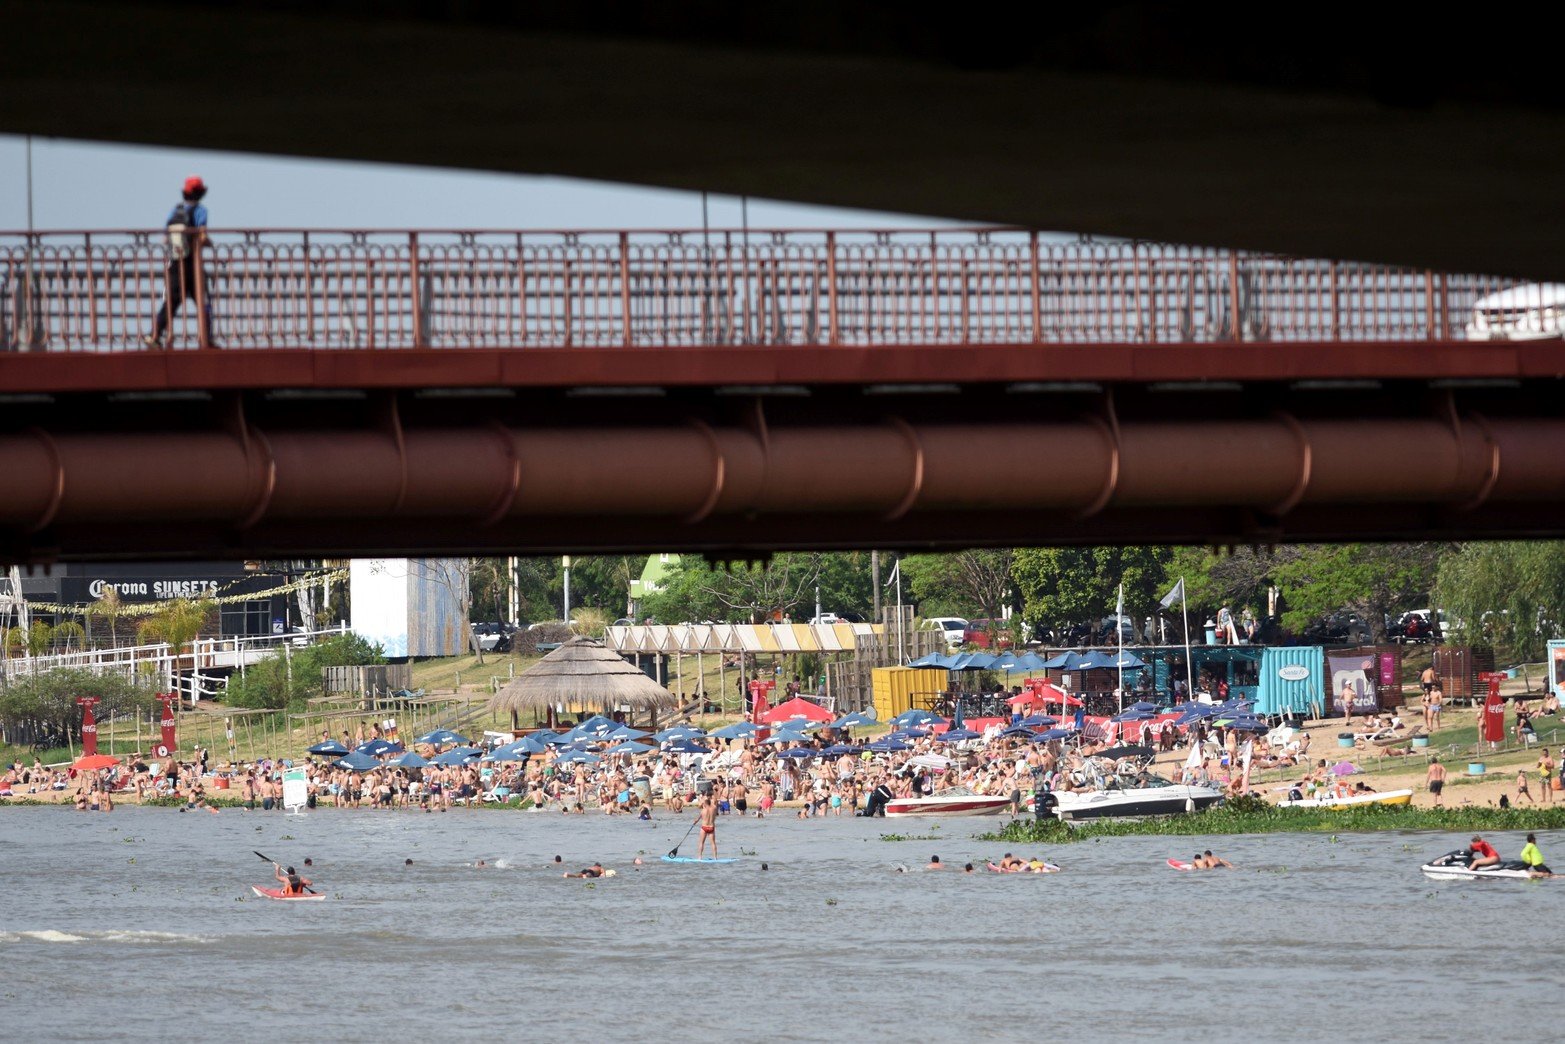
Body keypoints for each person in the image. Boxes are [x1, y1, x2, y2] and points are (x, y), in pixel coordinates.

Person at [145, 176, 213, 347]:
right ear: (200, 194)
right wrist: (209, 243)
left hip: (176, 263)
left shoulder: (175, 211)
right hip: (193, 264)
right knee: (203, 301)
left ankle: (154, 335)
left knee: (171, 301)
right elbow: (202, 236)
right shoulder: (200, 211)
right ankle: (207, 340)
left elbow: (165, 238)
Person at [696, 789, 719, 859]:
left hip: (704, 827)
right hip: (711, 827)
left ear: (705, 804)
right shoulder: (714, 808)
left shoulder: (703, 810)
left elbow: (699, 816)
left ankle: (699, 857)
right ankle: (715, 858)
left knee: (701, 843)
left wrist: (696, 821)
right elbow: (716, 814)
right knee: (713, 843)